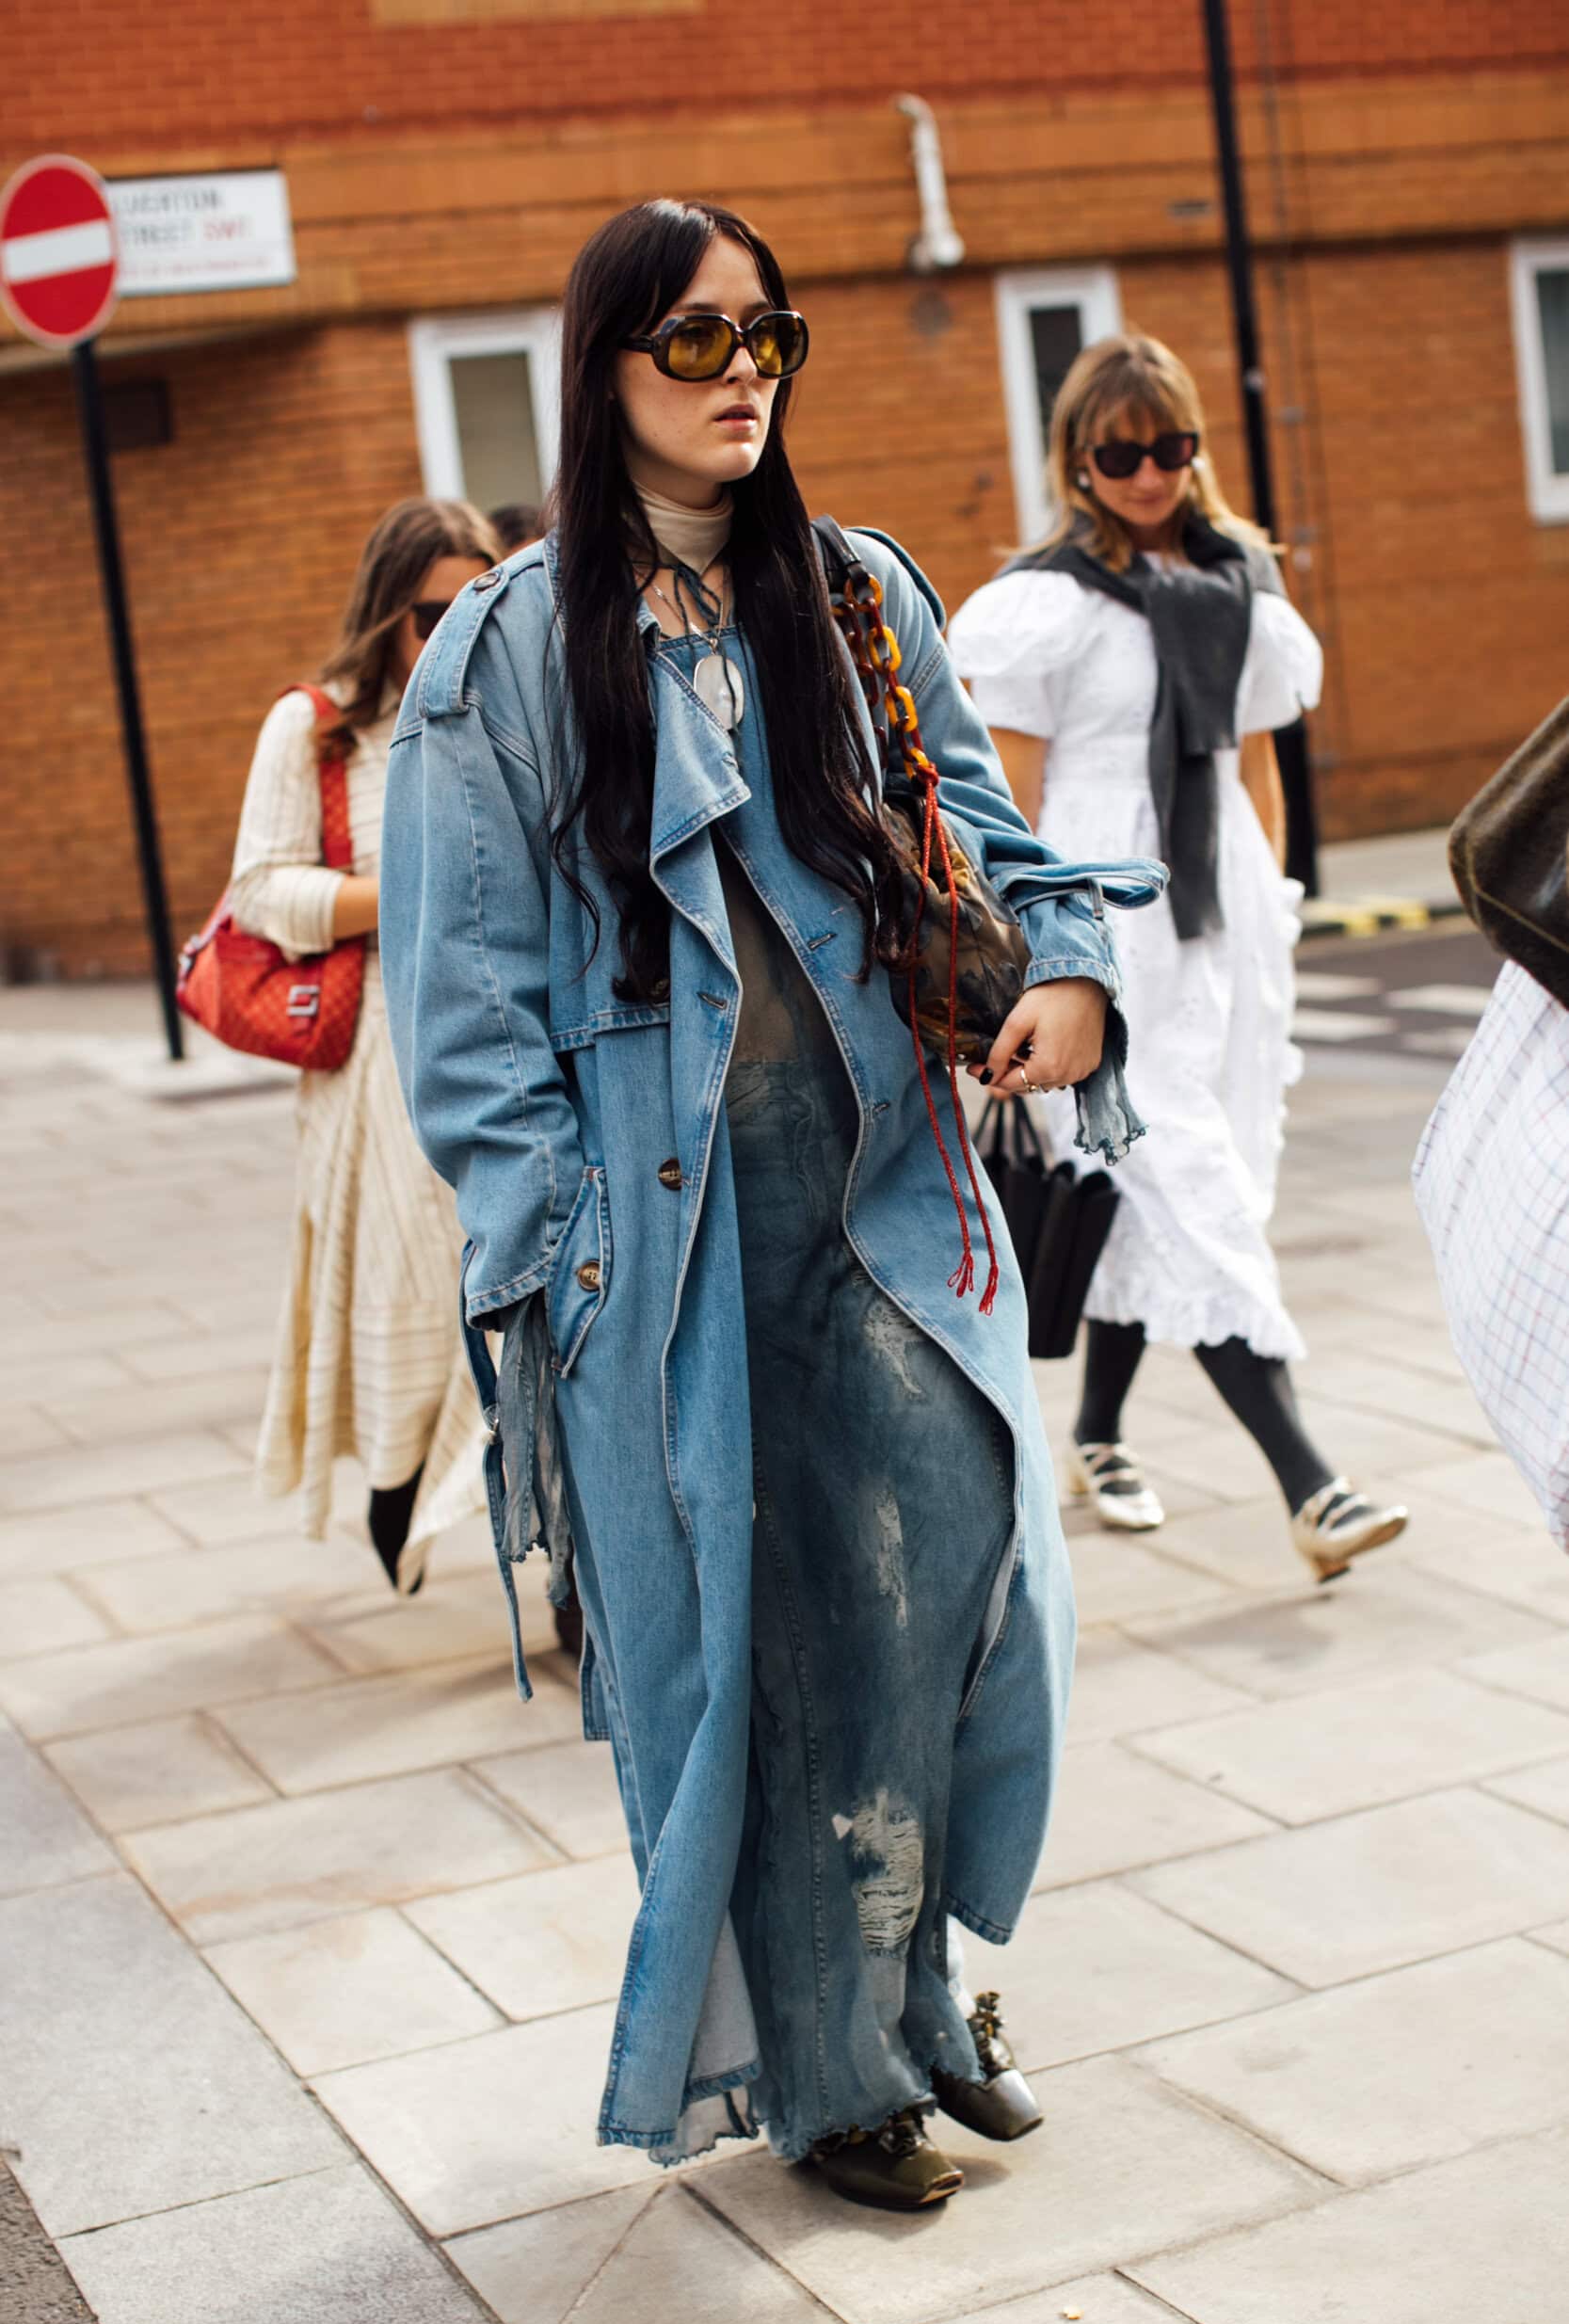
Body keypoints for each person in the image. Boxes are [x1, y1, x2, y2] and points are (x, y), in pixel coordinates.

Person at [379, 199, 1162, 2209]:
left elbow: (985, 832)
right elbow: (461, 1011)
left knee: (953, 1598)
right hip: (665, 1255)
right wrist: (568, 1261)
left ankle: (914, 1987)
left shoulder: (853, 591)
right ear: (604, 369)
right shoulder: (503, 655)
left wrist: (1070, 969)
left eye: (766, 336)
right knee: (773, 1656)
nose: (741, 374)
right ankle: (832, 2075)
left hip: (891, 1192)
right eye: (693, 341)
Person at [948, 332, 1407, 1581]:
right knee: (1167, 1165)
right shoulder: (1044, 604)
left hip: (1227, 912)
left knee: (1190, 1174)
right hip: (1100, 909)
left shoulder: (1238, 583)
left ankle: (1096, 1434)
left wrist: (1272, 901)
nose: (1148, 473)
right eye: (1120, 454)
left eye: (1170, 447)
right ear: (1076, 461)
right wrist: (1018, 954)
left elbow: (1256, 767)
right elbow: (1006, 800)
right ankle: (1309, 1485)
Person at [231, 497, 500, 1593]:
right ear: (388, 611)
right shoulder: (315, 727)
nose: (454, 632)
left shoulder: (505, 708)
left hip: (510, 1028)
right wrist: (408, 892)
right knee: (419, 1287)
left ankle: (560, 1567)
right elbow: (261, 891)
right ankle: (401, 1486)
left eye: (478, 605)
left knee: (520, 1289)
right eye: (432, 613)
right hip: (381, 1053)